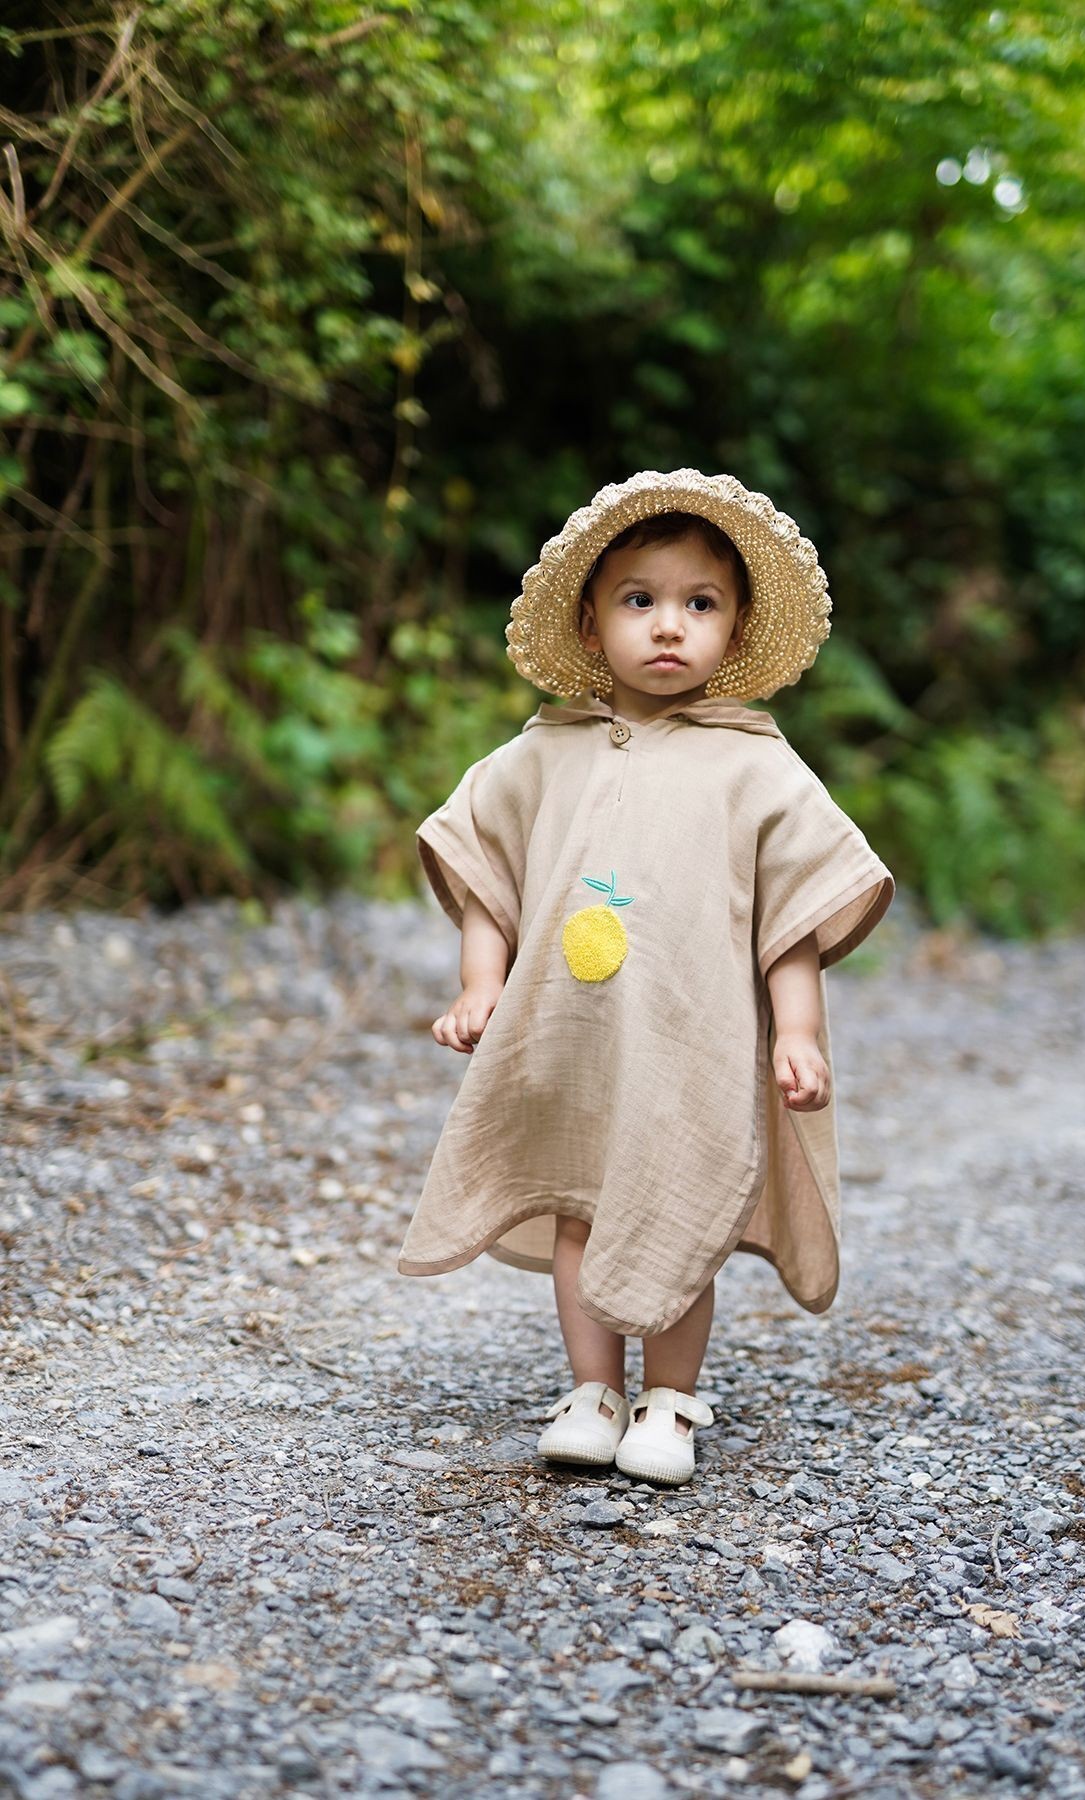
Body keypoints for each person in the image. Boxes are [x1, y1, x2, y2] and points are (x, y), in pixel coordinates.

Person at [396, 468, 895, 1485]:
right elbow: (490, 869)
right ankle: (594, 1390)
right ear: (591, 625)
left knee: (676, 1206)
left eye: (699, 604)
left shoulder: (754, 768)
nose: (669, 627)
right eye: (641, 601)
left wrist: (795, 1032)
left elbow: (788, 917)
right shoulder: (543, 756)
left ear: (734, 626)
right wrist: (479, 984)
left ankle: (668, 1402)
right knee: (581, 1201)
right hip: (574, 1047)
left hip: (689, 1045)